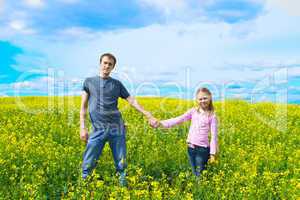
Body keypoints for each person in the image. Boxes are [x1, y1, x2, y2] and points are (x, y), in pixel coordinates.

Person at [80, 53, 159, 186]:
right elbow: (83, 106)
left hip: (117, 128)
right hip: (98, 128)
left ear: (113, 67)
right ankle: (84, 188)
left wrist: (148, 114)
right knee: (89, 161)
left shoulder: (117, 84)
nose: (107, 66)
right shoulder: (89, 82)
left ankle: (122, 189)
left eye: (110, 64)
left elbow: (131, 100)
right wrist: (83, 127)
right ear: (100, 63)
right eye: (105, 63)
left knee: (121, 162)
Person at [155, 87, 218, 176]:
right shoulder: (193, 111)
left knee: (200, 175)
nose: (202, 101)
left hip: (202, 150)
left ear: (210, 98)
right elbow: (179, 119)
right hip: (190, 148)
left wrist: (212, 154)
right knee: (194, 173)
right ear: (197, 100)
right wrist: (161, 123)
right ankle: (198, 188)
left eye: (205, 98)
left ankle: (200, 189)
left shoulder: (212, 115)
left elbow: (214, 136)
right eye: (200, 99)